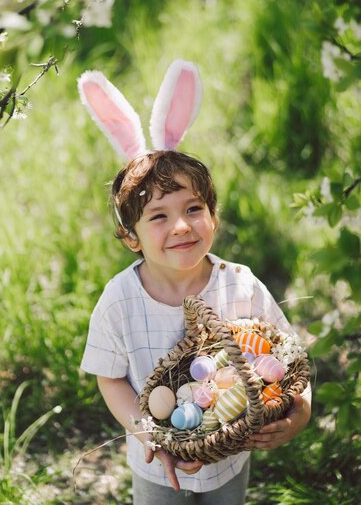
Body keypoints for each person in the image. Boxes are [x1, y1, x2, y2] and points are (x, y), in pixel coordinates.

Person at [77, 60, 311, 505]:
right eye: (159, 217)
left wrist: (301, 412)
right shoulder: (120, 299)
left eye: (193, 209)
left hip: (230, 458)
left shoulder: (240, 285)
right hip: (155, 466)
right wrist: (149, 432)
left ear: (214, 216)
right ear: (131, 237)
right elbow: (110, 379)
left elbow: (288, 354)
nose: (182, 226)